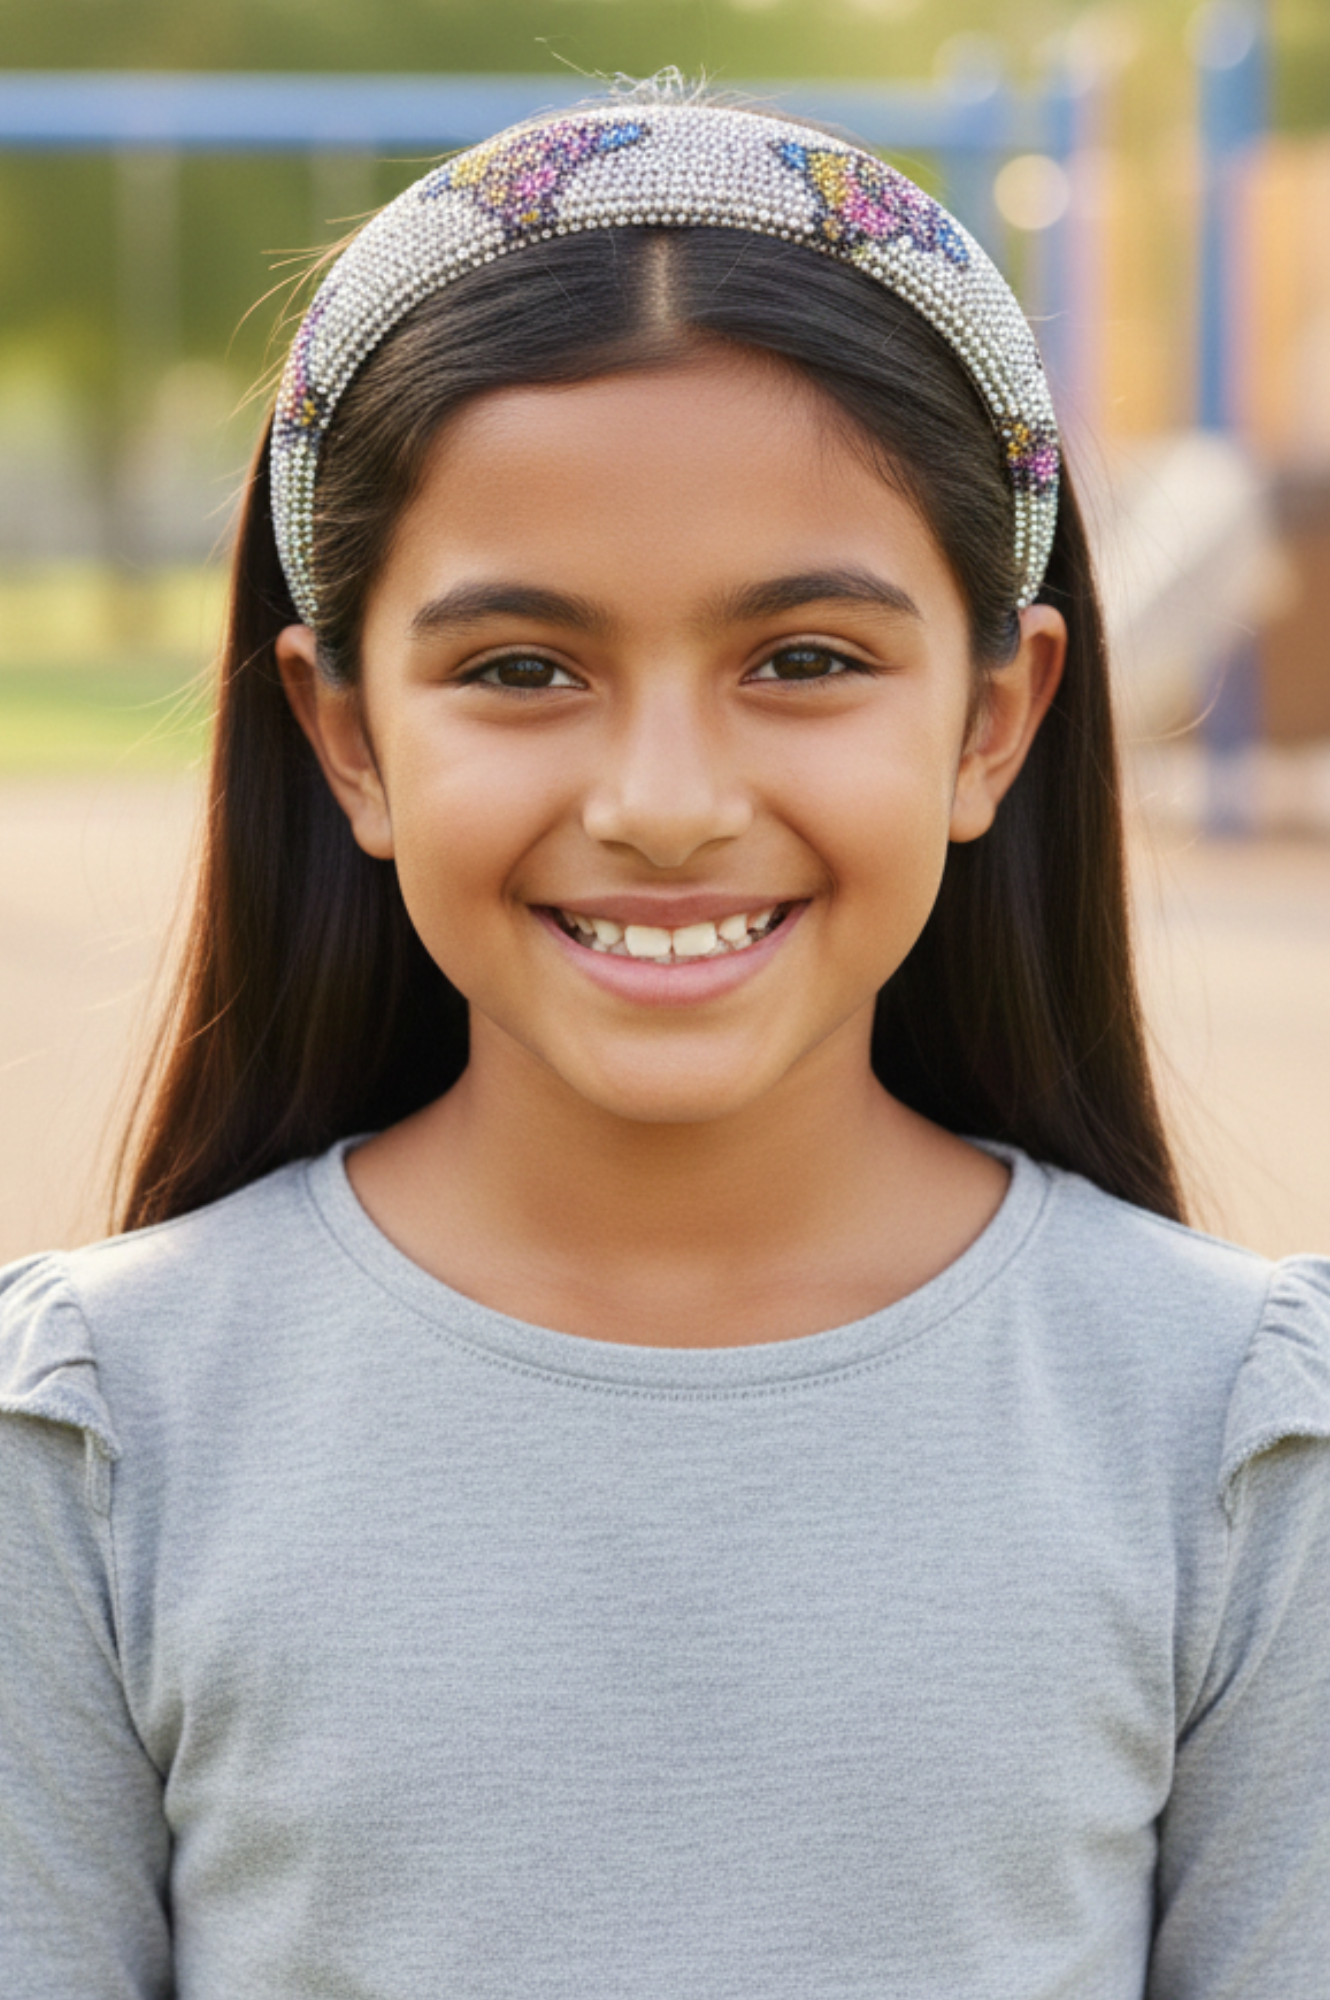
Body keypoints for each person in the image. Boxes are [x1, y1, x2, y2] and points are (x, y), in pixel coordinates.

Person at [2, 81, 1327, 1999]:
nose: (664, 802)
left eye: (803, 660)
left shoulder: (1233, 1435)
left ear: (992, 720)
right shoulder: (95, 1437)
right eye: (520, 669)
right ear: (348, 737)